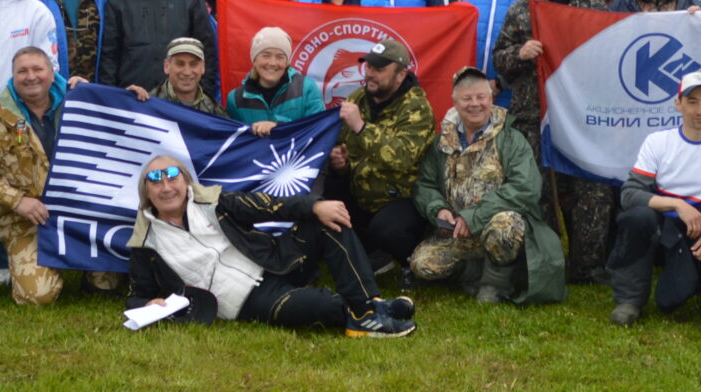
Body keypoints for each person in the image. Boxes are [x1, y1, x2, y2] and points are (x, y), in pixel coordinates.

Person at [125, 155, 416, 337]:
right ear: (147, 193)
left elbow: (271, 205)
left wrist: (316, 205)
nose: (166, 187)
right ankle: (364, 316)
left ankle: (369, 307)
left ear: (186, 182)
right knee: (318, 304)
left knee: (330, 219)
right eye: (155, 181)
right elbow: (137, 297)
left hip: (274, 260)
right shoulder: (145, 242)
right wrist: (148, 303)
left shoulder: (214, 202)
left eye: (172, 176)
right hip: (246, 300)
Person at [490, 0, 615, 284]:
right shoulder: (521, 8)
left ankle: (588, 266)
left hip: (581, 116)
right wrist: (520, 54)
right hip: (535, 115)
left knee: (592, 189)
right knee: (537, 192)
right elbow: (500, 59)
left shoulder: (592, 8)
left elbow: (609, 54)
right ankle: (545, 262)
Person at [606, 71, 701, 326]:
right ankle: (629, 300)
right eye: (692, 102)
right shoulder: (658, 142)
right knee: (637, 218)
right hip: (666, 222)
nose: (700, 110)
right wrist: (679, 205)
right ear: (678, 104)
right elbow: (630, 194)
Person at [408, 67, 565, 304]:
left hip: (500, 225)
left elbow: (526, 188)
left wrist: (473, 217)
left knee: (506, 226)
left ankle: (494, 284)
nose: (475, 104)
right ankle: (478, 273)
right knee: (422, 265)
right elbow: (425, 184)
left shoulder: (511, 138)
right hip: (458, 232)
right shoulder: (442, 142)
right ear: (455, 102)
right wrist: (438, 209)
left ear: (491, 98)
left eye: (481, 97)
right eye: (467, 98)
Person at [0, 45, 74, 302]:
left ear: (52, 74)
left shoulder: (78, 104)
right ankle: (45, 266)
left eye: (37, 69)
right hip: (26, 222)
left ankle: (89, 273)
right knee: (36, 296)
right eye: (22, 71)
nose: (31, 76)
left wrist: (135, 97)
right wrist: (16, 200)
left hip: (78, 217)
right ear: (13, 77)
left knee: (107, 282)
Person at [326, 40, 434, 276]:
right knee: (327, 196)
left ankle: (410, 258)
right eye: (369, 67)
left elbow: (403, 157)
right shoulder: (359, 98)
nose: (371, 74)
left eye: (380, 69)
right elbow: (340, 143)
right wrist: (340, 162)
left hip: (402, 199)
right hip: (361, 195)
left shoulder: (416, 107)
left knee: (387, 230)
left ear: (400, 75)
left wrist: (362, 128)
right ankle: (374, 254)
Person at [225, 27, 324, 135]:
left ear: (287, 62)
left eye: (280, 57)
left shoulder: (306, 88)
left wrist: (279, 126)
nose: (272, 63)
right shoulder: (235, 99)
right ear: (254, 60)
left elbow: (318, 131)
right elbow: (232, 141)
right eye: (266, 56)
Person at [126, 36, 226, 115]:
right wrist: (127, 102)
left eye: (194, 64)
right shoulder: (147, 103)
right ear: (166, 66)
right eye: (180, 64)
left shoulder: (214, 111)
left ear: (203, 67)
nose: (187, 72)